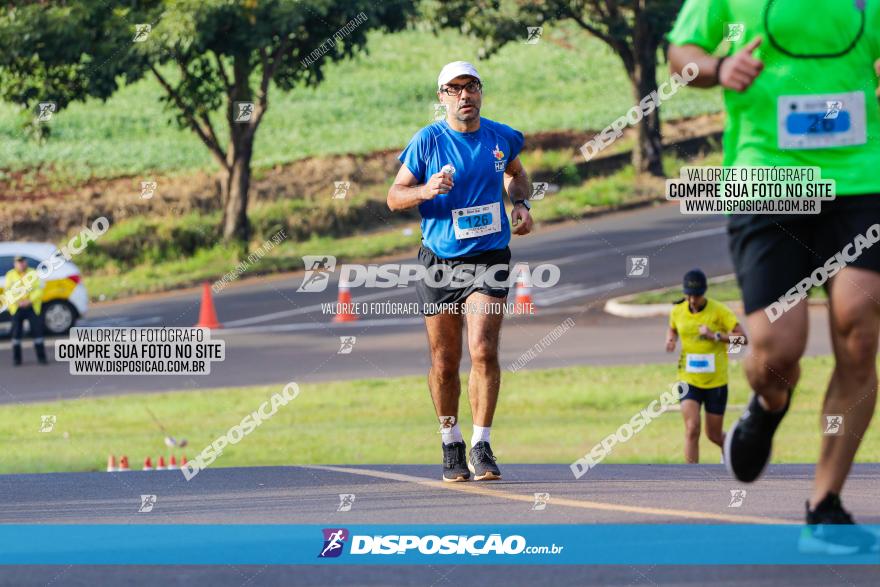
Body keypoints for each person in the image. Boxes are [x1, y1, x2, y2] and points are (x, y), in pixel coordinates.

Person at [668, 0, 880, 551]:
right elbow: (680, 52)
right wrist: (718, 69)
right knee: (777, 351)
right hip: (768, 177)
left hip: (861, 178)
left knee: (860, 328)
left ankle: (824, 505)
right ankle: (767, 406)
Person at [387, 61, 533, 482]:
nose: (465, 96)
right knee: (444, 359)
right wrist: (426, 190)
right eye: (455, 89)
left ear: (481, 92)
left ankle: (482, 444)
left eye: (471, 87)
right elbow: (394, 196)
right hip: (440, 260)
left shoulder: (500, 137)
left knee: (484, 349)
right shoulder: (428, 141)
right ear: (442, 98)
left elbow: (517, 176)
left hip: (489, 256)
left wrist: (520, 204)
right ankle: (450, 441)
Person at [666, 269, 747, 463]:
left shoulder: (719, 311)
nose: (693, 300)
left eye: (697, 295)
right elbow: (672, 328)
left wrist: (716, 336)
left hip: (715, 382)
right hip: (688, 379)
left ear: (704, 292)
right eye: (689, 295)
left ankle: (733, 450)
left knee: (714, 435)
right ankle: (692, 476)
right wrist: (670, 340)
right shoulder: (678, 310)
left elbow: (743, 339)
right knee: (692, 428)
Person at [5, 256, 48, 366]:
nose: (21, 264)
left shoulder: (33, 273)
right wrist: (18, 301)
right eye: (19, 262)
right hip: (17, 308)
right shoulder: (10, 275)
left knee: (37, 332)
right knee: (16, 334)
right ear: (15, 264)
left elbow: (39, 289)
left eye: (23, 261)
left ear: (26, 262)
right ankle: (17, 359)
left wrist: (30, 300)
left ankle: (41, 358)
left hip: (32, 307)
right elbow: (8, 292)